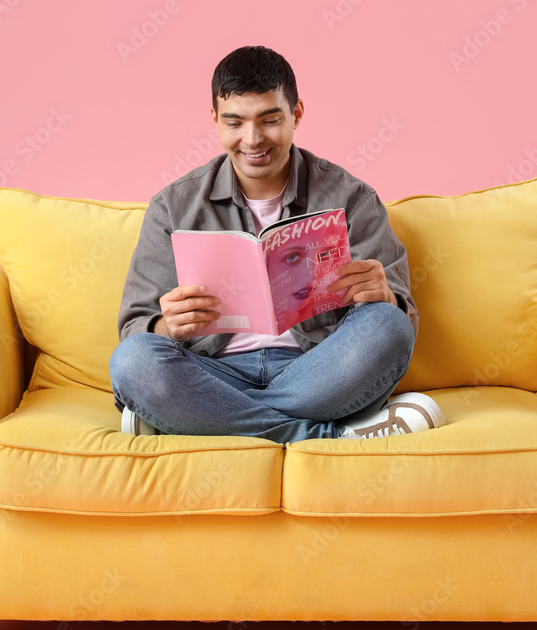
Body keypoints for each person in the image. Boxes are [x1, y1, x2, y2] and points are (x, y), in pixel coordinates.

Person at [109, 45, 443, 442]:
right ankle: (327, 437)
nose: (252, 140)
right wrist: (167, 327)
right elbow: (133, 330)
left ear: (296, 114)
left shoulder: (351, 197)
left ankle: (200, 421)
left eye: (269, 120)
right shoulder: (173, 206)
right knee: (133, 362)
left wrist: (385, 297)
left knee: (388, 327)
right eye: (234, 123)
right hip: (212, 373)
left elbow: (402, 323)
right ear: (215, 119)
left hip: (318, 370)